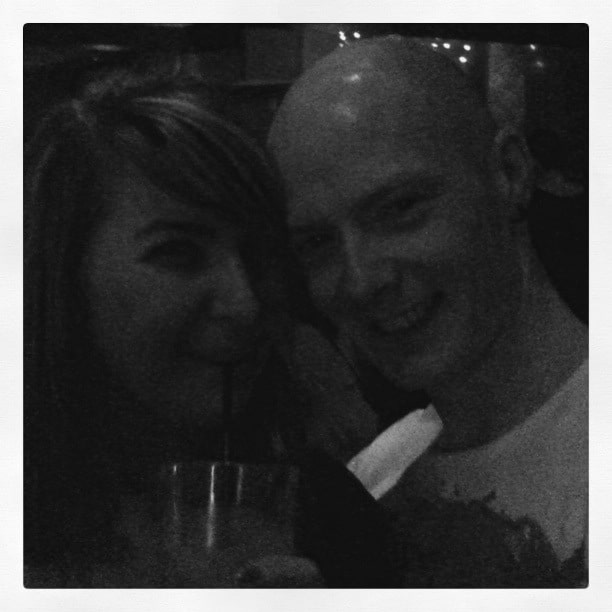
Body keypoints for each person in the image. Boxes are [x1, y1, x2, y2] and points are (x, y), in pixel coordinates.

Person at [24, 60, 391, 587]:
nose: (246, 303)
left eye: (262, 253)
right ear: (64, 273)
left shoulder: (330, 515)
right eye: (180, 252)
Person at [266, 36, 588, 587]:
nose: (361, 280)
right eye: (317, 243)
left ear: (510, 173)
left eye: (400, 207)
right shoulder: (368, 488)